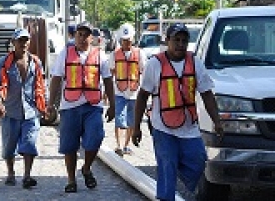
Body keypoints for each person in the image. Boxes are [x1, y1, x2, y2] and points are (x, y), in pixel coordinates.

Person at [132, 23, 224, 201]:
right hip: (162, 126)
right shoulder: (155, 64)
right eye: (176, 40)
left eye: (184, 40)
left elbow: (207, 94)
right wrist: (136, 127)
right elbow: (142, 96)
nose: (180, 44)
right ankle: (166, 196)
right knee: (167, 165)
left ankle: (178, 174)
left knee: (198, 161)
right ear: (167, 41)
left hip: (189, 126)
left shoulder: (195, 62)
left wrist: (217, 121)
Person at [46, 21, 115, 193]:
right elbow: (56, 78)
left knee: (96, 137)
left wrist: (113, 104)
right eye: (80, 34)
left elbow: (107, 80)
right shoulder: (65, 54)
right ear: (74, 36)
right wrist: (50, 104)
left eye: (86, 35)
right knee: (69, 146)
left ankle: (86, 168)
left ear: (92, 38)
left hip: (93, 105)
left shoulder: (100, 56)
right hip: (69, 106)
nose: (83, 38)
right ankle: (71, 180)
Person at [0, 28, 46, 189]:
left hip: (31, 111)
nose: (24, 43)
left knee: (29, 143)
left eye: (26, 40)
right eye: (20, 40)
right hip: (10, 110)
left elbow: (42, 85)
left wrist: (46, 106)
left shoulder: (36, 62)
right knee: (9, 146)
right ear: (13, 43)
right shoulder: (4, 63)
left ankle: (27, 176)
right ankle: (11, 173)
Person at [109, 23, 145, 156]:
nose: (127, 43)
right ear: (121, 40)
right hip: (119, 91)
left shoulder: (139, 54)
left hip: (134, 92)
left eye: (129, 40)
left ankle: (126, 145)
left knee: (131, 120)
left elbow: (143, 71)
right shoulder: (114, 55)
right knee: (119, 119)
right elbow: (111, 72)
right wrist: (107, 94)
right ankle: (118, 145)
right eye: (124, 40)